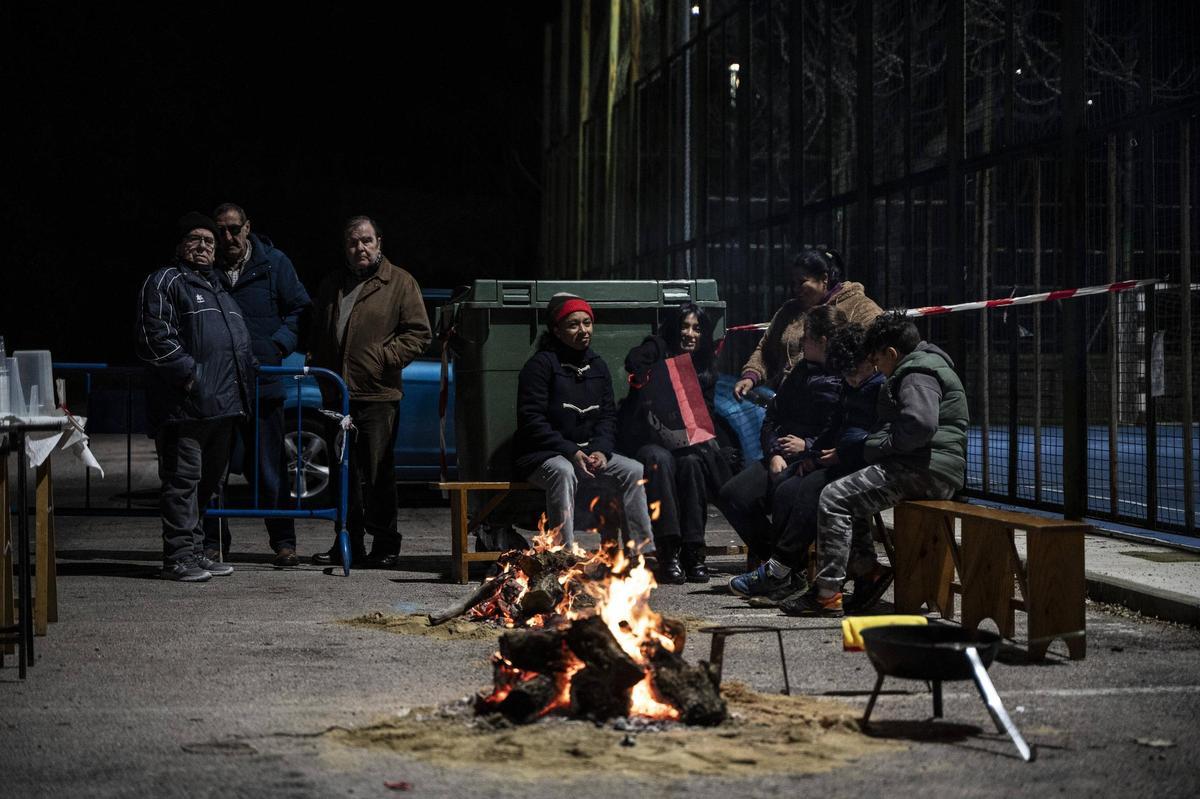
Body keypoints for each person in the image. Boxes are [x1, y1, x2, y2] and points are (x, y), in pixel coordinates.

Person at [783, 311, 969, 617]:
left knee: (833, 497)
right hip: (926, 466)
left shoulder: (916, 372)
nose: (878, 367)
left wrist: (884, 446)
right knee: (847, 495)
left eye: (878, 359)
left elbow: (921, 424)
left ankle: (827, 594)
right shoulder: (921, 366)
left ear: (891, 353)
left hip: (926, 469)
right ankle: (867, 572)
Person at [136, 212, 257, 582]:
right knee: (182, 483)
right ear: (179, 245)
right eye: (194, 239)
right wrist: (192, 378)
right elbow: (155, 338)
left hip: (223, 408)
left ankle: (199, 551)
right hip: (185, 408)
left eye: (209, 241)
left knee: (209, 485)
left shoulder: (219, 289)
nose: (204, 246)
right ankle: (177, 557)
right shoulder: (164, 281)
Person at [726, 323, 885, 604]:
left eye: (852, 373)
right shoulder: (816, 375)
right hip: (823, 456)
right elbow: (781, 417)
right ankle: (786, 572)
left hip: (859, 463)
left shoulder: (877, 385)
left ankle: (799, 578)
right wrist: (796, 453)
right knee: (752, 491)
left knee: (805, 491)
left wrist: (820, 451)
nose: (850, 379)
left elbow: (871, 436)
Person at [308, 216, 432, 568]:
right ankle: (346, 541)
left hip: (377, 394)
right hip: (338, 395)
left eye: (366, 241)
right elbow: (319, 330)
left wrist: (385, 358)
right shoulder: (333, 283)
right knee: (342, 471)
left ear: (379, 242)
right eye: (352, 243)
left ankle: (385, 545)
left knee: (378, 473)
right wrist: (318, 361)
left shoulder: (399, 282)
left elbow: (420, 334)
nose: (359, 248)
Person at [201, 202, 311, 569]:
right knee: (214, 470)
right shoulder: (206, 268)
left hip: (265, 384)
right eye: (221, 231)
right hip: (219, 388)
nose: (227, 237)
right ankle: (214, 544)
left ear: (248, 228)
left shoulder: (274, 263)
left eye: (234, 229)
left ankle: (283, 543)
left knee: (270, 467)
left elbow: (299, 309)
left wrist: (278, 344)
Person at [513, 293, 655, 554]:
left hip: (588, 452)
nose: (583, 330)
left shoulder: (598, 366)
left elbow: (607, 417)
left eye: (587, 323)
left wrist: (601, 450)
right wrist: (571, 451)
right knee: (563, 471)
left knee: (633, 469)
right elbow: (532, 421)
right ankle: (562, 556)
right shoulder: (541, 366)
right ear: (557, 330)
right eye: (573, 324)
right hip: (543, 455)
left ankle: (643, 553)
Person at [722, 305, 845, 598]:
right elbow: (772, 417)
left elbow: (842, 430)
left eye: (807, 338)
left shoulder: (843, 378)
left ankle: (781, 573)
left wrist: (808, 446)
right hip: (781, 455)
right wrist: (775, 451)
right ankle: (784, 568)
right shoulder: (801, 370)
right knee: (733, 495)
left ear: (824, 341)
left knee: (786, 492)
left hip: (814, 460)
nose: (802, 343)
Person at [618, 303, 732, 584]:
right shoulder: (657, 346)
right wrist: (651, 375)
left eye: (697, 328)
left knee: (693, 463)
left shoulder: (704, 368)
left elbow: (706, 415)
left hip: (683, 444)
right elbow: (633, 360)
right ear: (674, 328)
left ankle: (693, 551)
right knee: (660, 461)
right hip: (647, 440)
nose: (690, 333)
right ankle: (668, 551)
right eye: (685, 326)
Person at [732, 247, 882, 399]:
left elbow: (878, 352)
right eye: (793, 283)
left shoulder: (859, 307)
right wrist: (751, 376)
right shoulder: (789, 311)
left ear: (824, 278)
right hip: (791, 402)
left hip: (836, 405)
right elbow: (766, 349)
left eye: (802, 282)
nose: (796, 289)